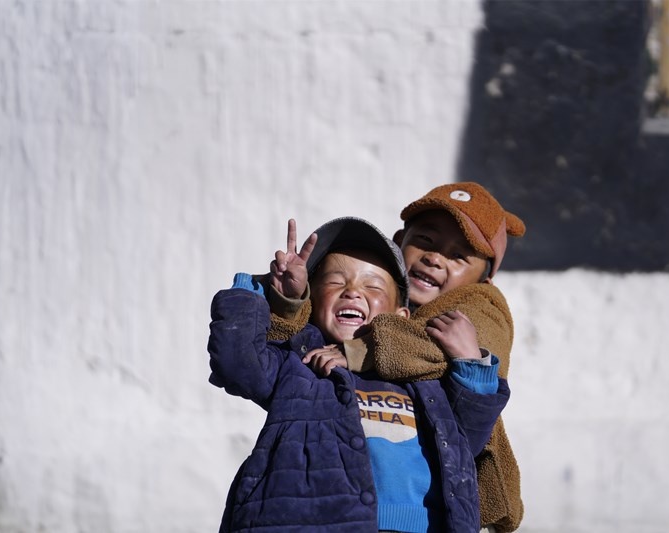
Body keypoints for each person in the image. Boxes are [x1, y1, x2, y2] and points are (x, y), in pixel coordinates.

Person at [208, 216, 510, 532]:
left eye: (373, 286)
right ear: (312, 300)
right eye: (336, 282)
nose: (352, 292)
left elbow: (467, 440)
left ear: (401, 316)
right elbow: (235, 363)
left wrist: (471, 364)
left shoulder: (423, 378)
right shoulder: (301, 362)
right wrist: (262, 287)